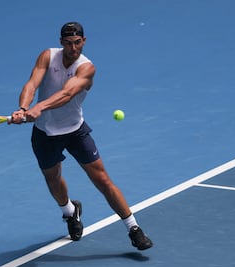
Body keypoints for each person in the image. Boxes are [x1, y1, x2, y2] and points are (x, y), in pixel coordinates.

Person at [11, 22, 153, 250]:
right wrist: (23, 107)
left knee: (103, 181)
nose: (73, 48)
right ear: (61, 43)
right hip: (44, 134)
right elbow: (31, 84)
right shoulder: (47, 56)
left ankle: (133, 228)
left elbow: (67, 94)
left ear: (84, 41)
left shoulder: (87, 68)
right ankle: (70, 212)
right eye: (68, 43)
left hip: (75, 132)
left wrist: (38, 109)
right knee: (53, 178)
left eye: (77, 43)